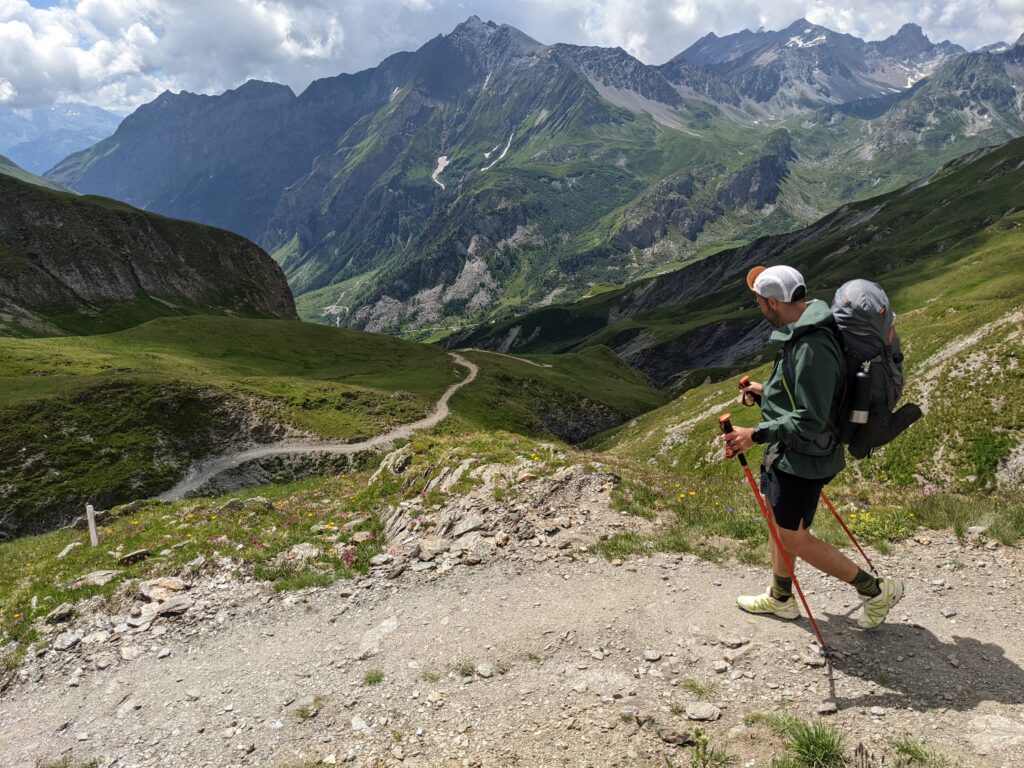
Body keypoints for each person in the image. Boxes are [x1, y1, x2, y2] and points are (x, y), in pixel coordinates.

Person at [720, 265, 903, 629]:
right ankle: (781, 598)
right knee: (780, 524)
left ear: (773, 302)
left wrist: (753, 434)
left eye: (759, 300)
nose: (757, 306)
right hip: (795, 452)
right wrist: (765, 394)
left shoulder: (812, 346)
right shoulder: (807, 327)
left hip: (806, 458)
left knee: (794, 536)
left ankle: (874, 590)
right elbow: (807, 396)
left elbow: (810, 420)